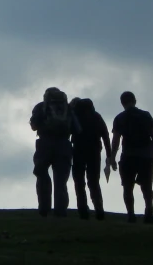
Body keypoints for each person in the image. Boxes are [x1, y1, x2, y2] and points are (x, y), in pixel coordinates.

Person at [29, 87, 81, 217]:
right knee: (61, 180)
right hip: (64, 145)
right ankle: (60, 210)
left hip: (44, 145)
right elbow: (77, 129)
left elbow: (34, 125)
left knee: (42, 176)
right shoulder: (67, 108)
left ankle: (44, 209)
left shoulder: (41, 107)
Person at [110, 91, 153, 224]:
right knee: (147, 187)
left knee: (127, 187)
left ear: (122, 103)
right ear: (134, 100)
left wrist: (112, 158)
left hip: (128, 156)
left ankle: (131, 214)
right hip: (146, 156)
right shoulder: (146, 115)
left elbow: (116, 140)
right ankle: (149, 210)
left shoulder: (120, 118)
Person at [70, 97, 112, 220]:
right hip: (94, 151)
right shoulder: (96, 117)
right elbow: (105, 135)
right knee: (93, 182)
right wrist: (109, 155)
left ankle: (82, 209)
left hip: (78, 150)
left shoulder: (76, 116)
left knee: (79, 181)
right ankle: (99, 209)